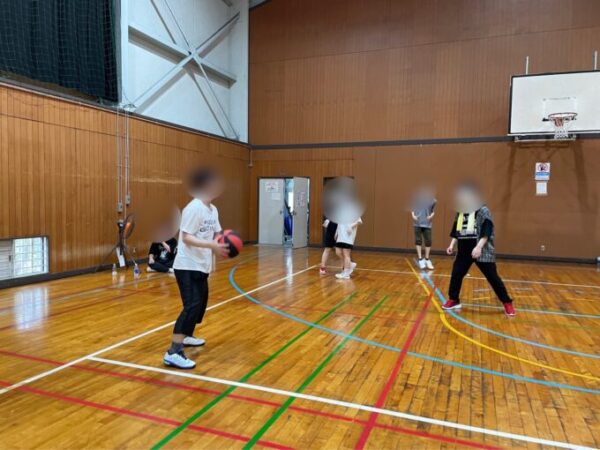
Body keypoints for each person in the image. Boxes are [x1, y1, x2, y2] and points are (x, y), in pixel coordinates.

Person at [163, 167, 229, 369]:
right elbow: (187, 237)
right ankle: (173, 352)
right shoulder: (194, 208)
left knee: (200, 305)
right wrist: (212, 245)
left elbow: (217, 233)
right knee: (192, 305)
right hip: (187, 265)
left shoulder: (212, 209)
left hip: (202, 265)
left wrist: (226, 242)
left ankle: (187, 336)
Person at [443, 183, 515, 316]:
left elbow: (487, 231)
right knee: (456, 274)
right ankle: (454, 299)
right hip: (463, 250)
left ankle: (507, 302)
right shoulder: (460, 211)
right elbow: (456, 231)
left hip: (481, 250)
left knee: (493, 277)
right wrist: (451, 245)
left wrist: (479, 247)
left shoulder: (483, 210)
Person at [411, 188, 436, 270]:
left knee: (428, 241)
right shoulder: (416, 199)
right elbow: (412, 208)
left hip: (427, 224)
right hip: (417, 223)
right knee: (418, 241)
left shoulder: (433, 200)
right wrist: (413, 215)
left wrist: (431, 216)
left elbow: (433, 211)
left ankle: (427, 259)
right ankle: (420, 259)